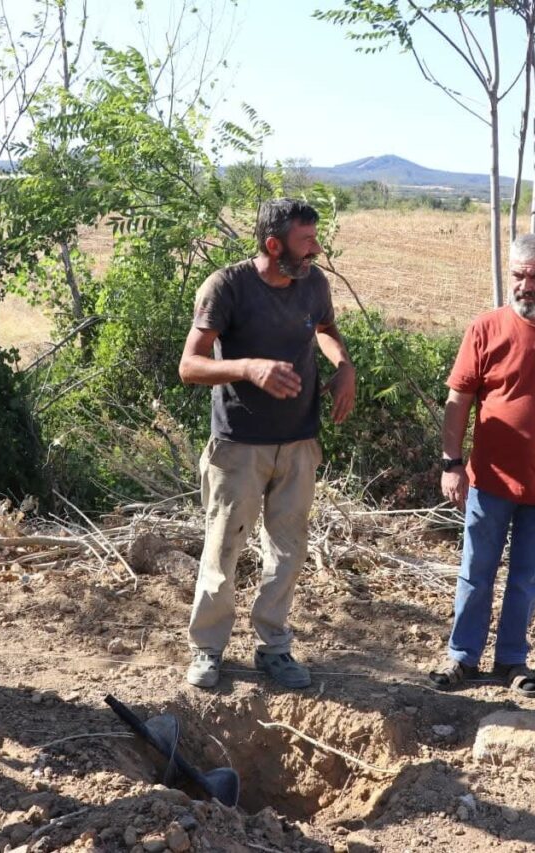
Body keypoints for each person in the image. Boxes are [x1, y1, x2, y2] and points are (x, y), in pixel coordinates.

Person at [178, 198, 355, 690]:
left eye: (315, 239)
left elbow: (326, 330)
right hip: (239, 446)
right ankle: (208, 649)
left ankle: (274, 648)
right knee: (223, 548)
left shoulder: (313, 284)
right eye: (306, 241)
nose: (316, 250)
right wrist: (248, 368)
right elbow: (189, 366)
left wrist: (344, 366)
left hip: (298, 442)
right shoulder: (226, 287)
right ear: (273, 245)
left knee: (288, 550)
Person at [429, 234, 535, 694]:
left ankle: (512, 662)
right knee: (476, 572)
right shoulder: (485, 328)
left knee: (527, 579)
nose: (525, 286)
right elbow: (458, 400)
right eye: (518, 275)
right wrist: (451, 463)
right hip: (490, 481)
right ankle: (462, 658)